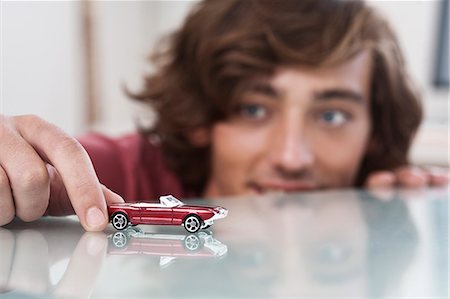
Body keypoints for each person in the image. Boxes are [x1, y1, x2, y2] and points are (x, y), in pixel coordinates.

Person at [0, 0, 448, 231]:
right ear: (200, 119)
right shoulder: (107, 179)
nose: (292, 157)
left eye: (331, 116)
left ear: (373, 132)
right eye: (254, 109)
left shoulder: (391, 203)